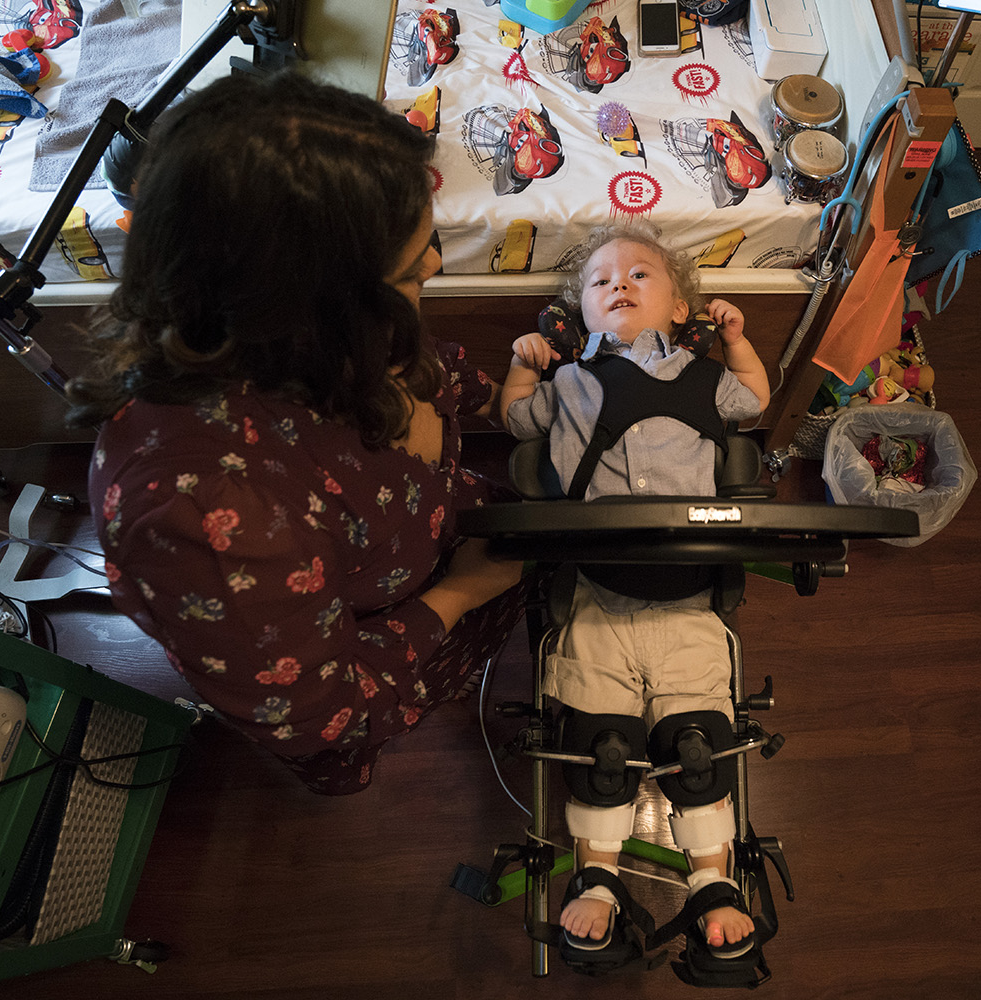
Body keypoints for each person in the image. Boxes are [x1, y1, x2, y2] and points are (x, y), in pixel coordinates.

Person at [65, 70, 523, 796]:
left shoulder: (349, 330)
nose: (434, 265)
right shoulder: (208, 516)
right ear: (307, 308)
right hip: (393, 629)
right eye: (412, 268)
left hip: (436, 540)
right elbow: (322, 714)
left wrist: (525, 405)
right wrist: (462, 595)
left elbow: (435, 371)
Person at [500, 222, 772, 960]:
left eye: (640, 276)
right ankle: (597, 881)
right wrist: (526, 369)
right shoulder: (566, 381)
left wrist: (738, 342)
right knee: (602, 746)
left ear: (681, 308)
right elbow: (517, 419)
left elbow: (753, 401)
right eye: (600, 282)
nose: (618, 284)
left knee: (699, 747)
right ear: (580, 314)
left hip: (688, 593)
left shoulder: (704, 374)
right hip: (596, 588)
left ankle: (714, 881)